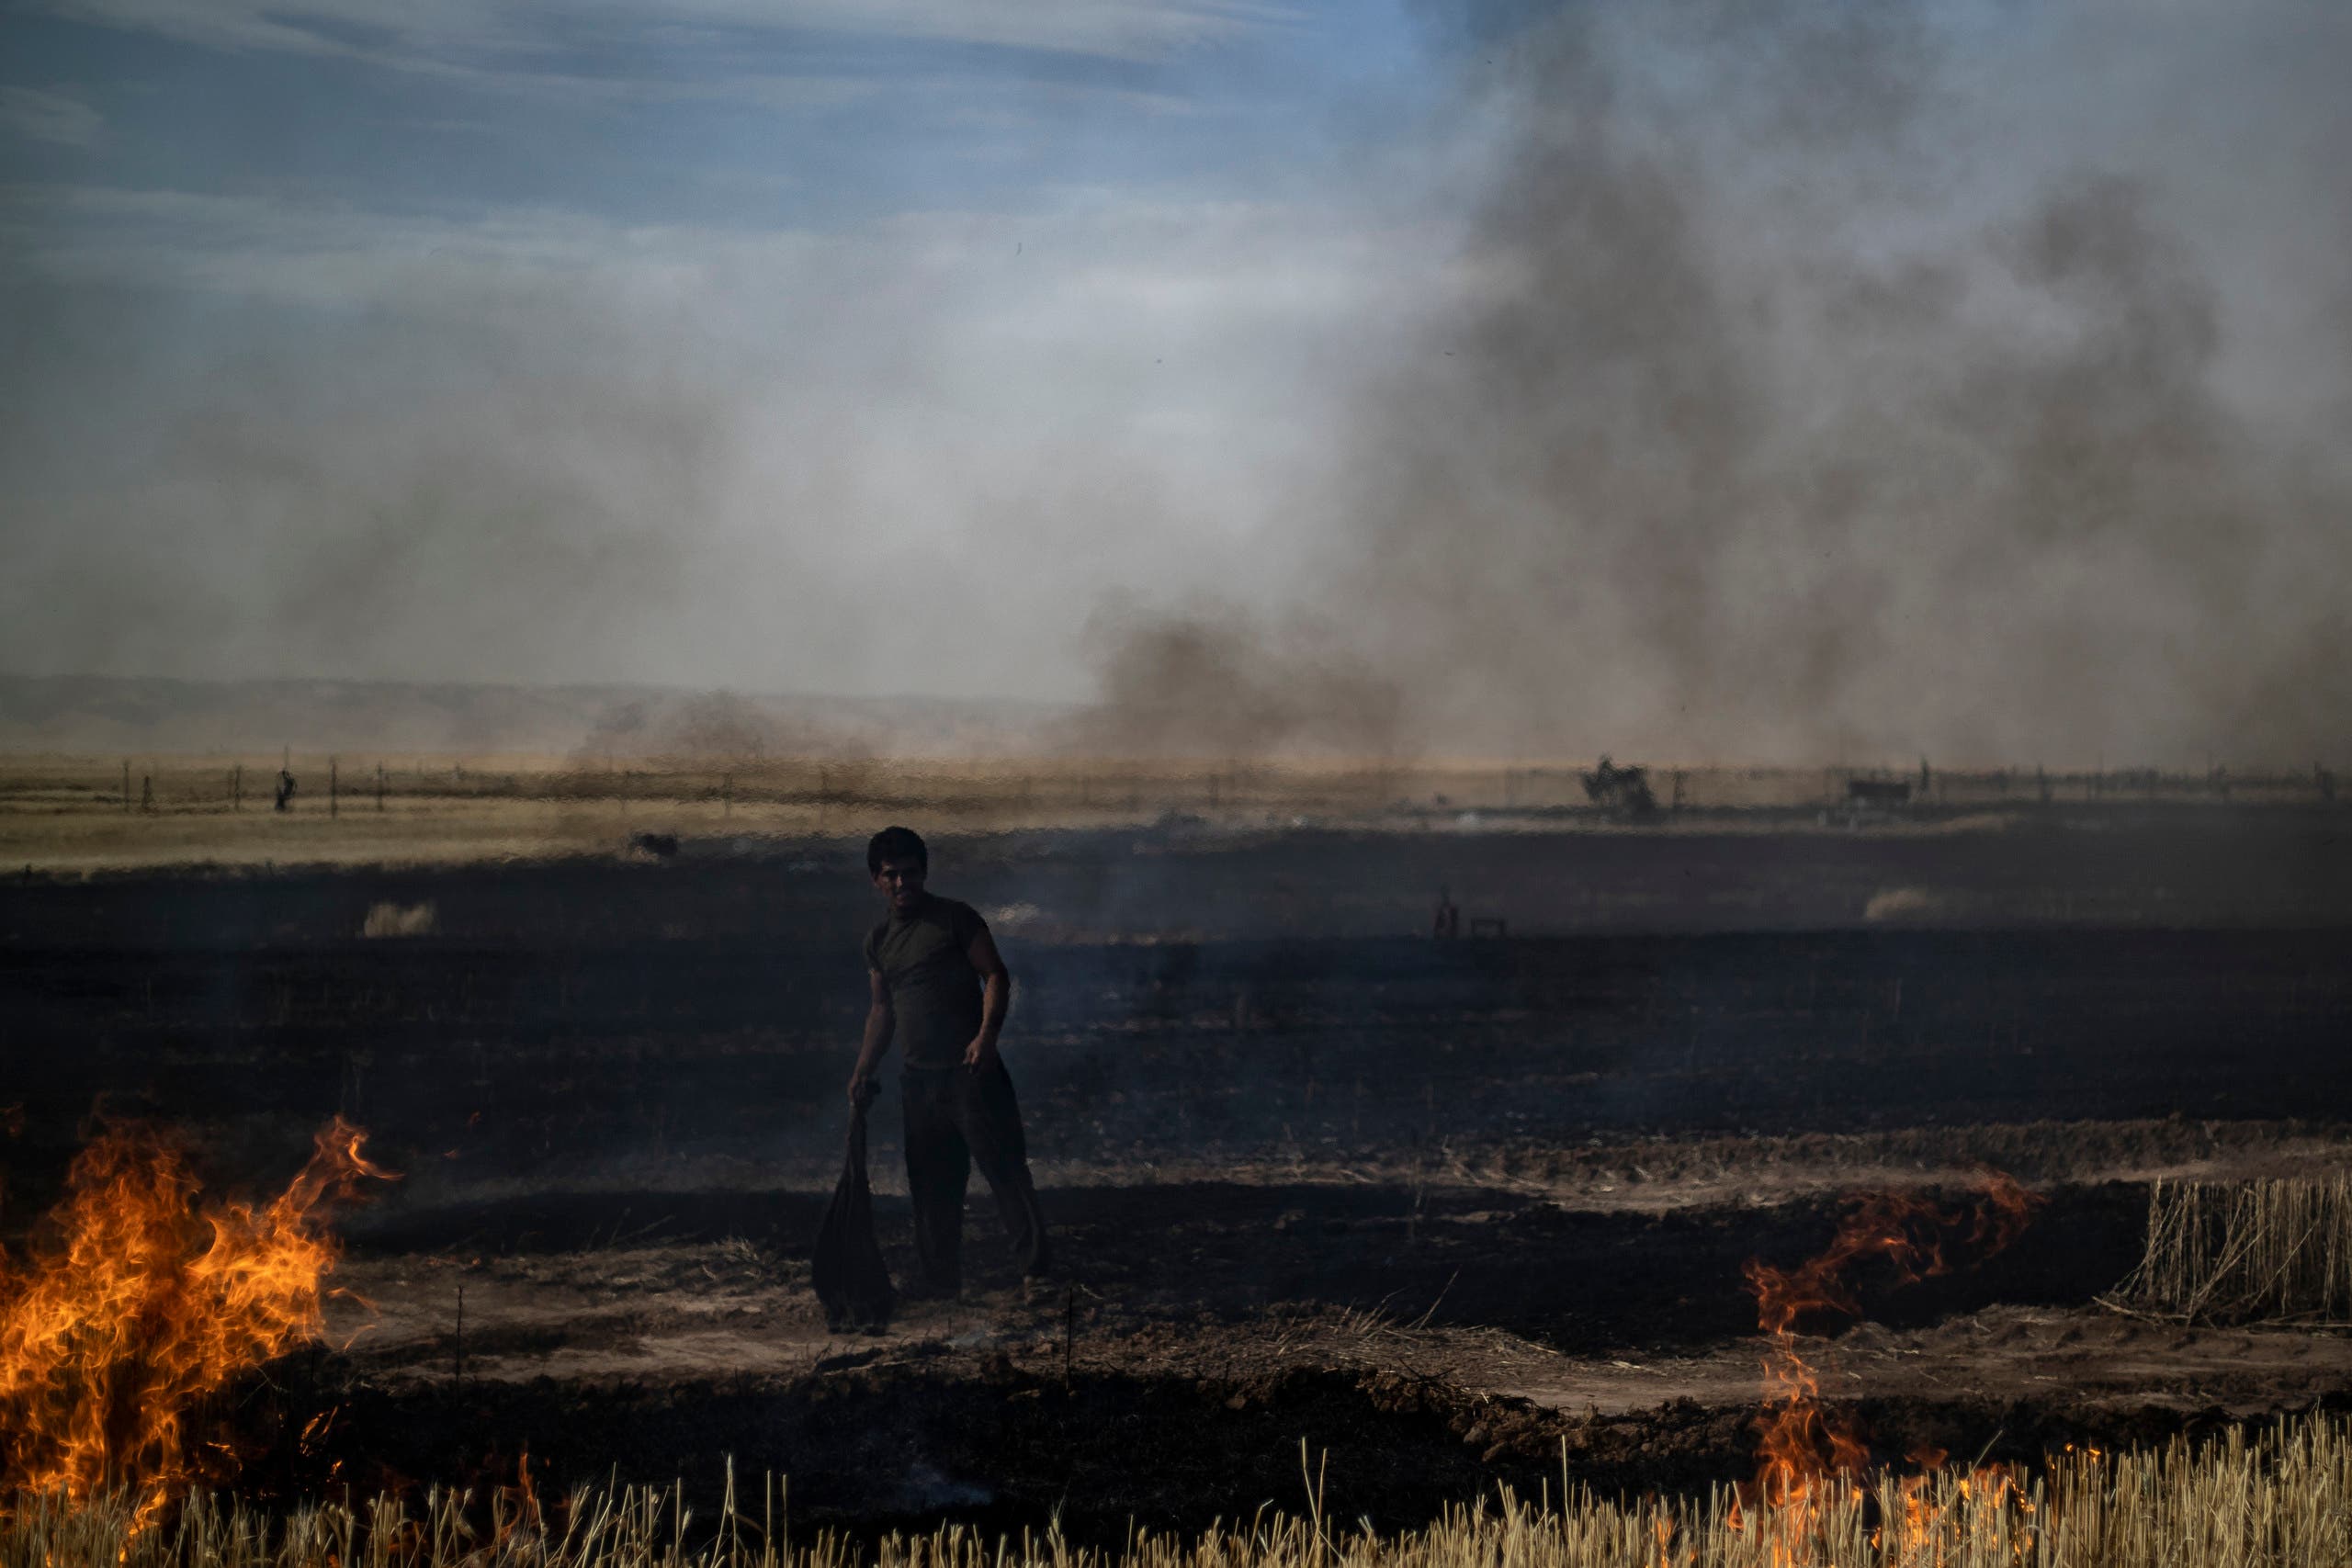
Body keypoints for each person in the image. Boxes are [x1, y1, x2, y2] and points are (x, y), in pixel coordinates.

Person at [848, 825, 1050, 1299]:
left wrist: (987, 1037)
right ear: (876, 880)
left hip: (971, 1073)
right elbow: (882, 1009)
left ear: (924, 873)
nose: (903, 884)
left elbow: (996, 975)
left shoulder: (956, 919)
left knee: (1005, 1172)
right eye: (891, 875)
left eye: (911, 873)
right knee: (931, 1186)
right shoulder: (877, 941)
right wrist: (862, 1069)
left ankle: (1037, 1273)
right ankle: (941, 1284)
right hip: (918, 1082)